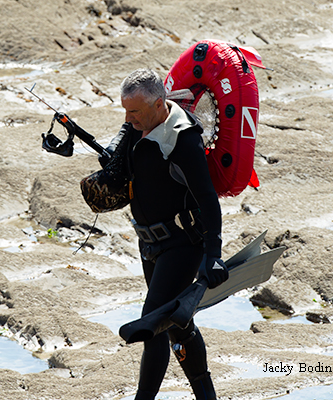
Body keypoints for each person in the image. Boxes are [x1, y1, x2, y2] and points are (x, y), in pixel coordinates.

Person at [104, 69, 229, 400]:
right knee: (176, 323)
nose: (127, 119)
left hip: (182, 246)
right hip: (150, 245)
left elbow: (207, 199)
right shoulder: (137, 126)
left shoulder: (183, 140)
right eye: (125, 110)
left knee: (152, 325)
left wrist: (212, 256)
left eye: (134, 111)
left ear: (159, 104)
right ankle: (206, 393)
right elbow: (122, 170)